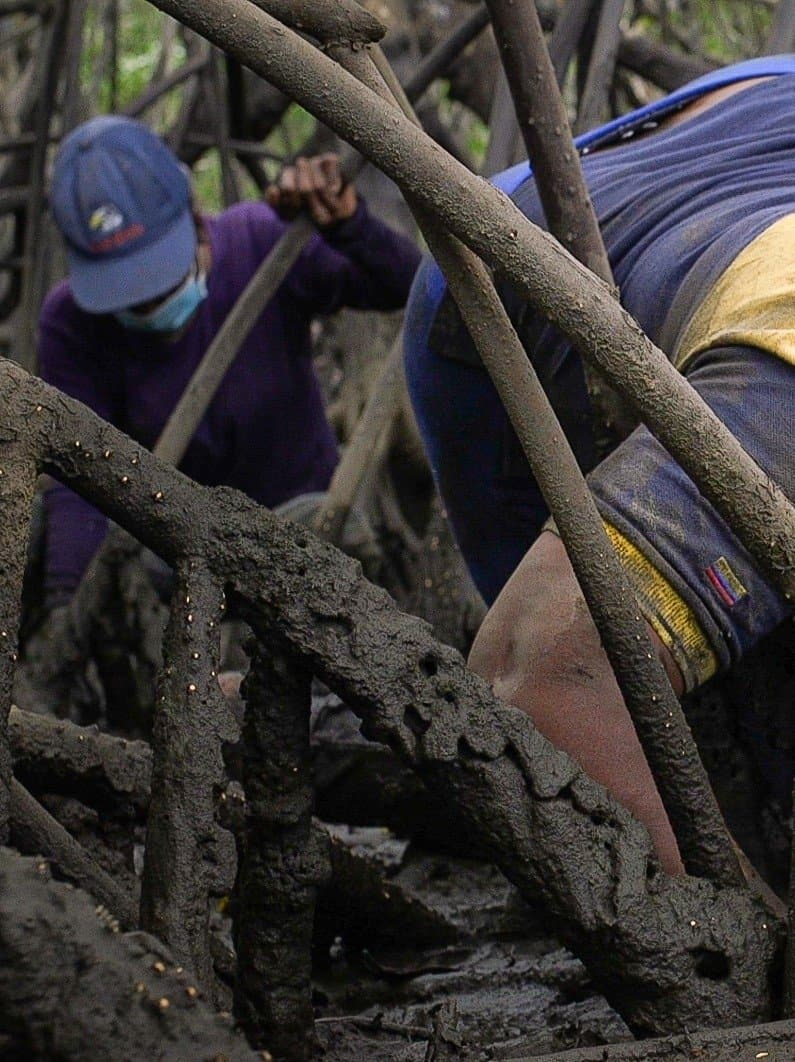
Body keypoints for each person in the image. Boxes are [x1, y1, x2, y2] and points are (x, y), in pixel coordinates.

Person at [403, 56, 795, 875]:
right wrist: (725, 942)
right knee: (566, 707)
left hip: (742, 108)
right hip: (510, 260)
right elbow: (541, 674)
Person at [38, 115, 421, 612]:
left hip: (312, 536)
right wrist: (70, 609)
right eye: (129, 294)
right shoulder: (71, 324)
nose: (151, 306)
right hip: (180, 563)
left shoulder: (261, 243)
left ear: (193, 215)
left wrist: (348, 225)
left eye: (159, 280)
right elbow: (79, 481)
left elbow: (404, 286)